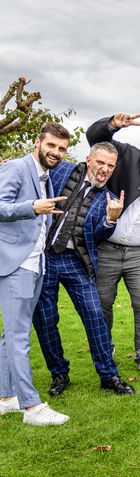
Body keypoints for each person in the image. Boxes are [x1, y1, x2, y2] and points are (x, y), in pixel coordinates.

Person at [33, 142, 134, 396]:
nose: (105, 169)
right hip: (43, 257)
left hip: (75, 261)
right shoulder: (60, 171)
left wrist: (111, 218)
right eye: (100, 162)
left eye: (110, 166)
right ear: (89, 159)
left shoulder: (107, 198)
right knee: (45, 320)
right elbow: (32, 172)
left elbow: (97, 235)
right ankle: (59, 374)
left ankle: (108, 375)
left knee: (94, 315)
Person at [86, 110, 140, 378]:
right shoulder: (128, 156)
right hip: (108, 246)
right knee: (101, 302)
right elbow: (95, 137)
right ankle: (105, 347)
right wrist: (112, 125)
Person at [0, 123, 70, 425]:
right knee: (18, 337)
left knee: (10, 336)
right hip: (15, 263)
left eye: (62, 149)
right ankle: (31, 407)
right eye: (51, 145)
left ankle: (6, 397)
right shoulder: (17, 167)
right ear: (38, 141)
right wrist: (32, 207)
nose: (55, 152)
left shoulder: (45, 176)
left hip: (34, 263)